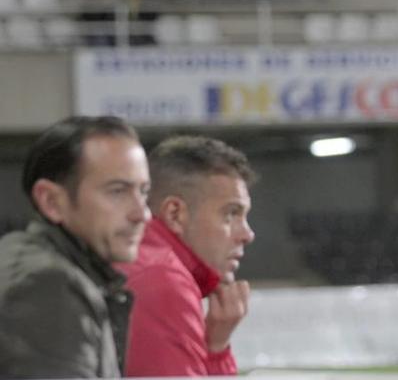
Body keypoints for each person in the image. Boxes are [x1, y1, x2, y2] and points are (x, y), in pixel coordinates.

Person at [0, 116, 151, 377]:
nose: (142, 214)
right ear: (51, 201)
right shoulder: (46, 284)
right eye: (117, 191)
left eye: (143, 191)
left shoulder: (35, 264)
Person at [118, 136, 257, 376]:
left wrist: (214, 345)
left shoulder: (142, 261)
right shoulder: (162, 279)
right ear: (175, 214)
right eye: (231, 214)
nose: (247, 234)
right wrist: (216, 354)